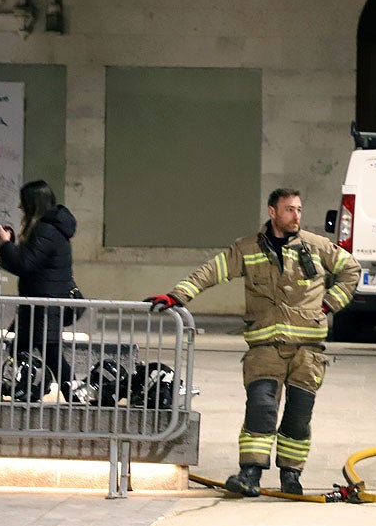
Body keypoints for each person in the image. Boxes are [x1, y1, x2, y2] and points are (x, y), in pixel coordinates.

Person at [145, 188, 360, 497]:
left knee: (298, 418)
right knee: (260, 409)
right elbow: (211, 271)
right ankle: (250, 474)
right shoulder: (246, 248)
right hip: (265, 348)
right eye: (289, 209)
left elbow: (351, 269)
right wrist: (178, 294)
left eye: (299, 209)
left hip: (308, 351)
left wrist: (328, 305)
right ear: (272, 212)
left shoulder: (316, 246)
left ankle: (291, 476)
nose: (296, 215)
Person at [0, 180, 78, 400]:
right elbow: (24, 264)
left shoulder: (46, 229)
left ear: (32, 204)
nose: (19, 207)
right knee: (19, 350)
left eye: (23, 203)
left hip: (44, 304)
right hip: (39, 303)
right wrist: (10, 246)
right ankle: (31, 387)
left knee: (51, 355)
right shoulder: (50, 228)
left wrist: (5, 245)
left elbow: (25, 264)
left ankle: (71, 395)